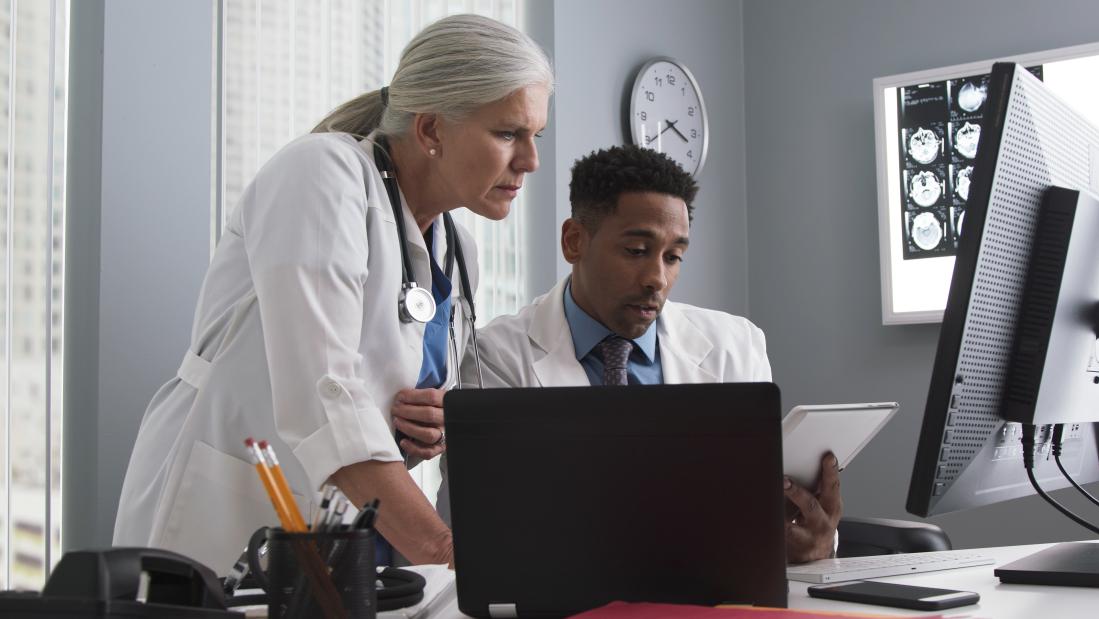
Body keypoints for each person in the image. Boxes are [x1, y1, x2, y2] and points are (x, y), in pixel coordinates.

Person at [113, 14, 552, 573]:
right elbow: (326, 397)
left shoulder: (458, 248)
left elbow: (381, 401)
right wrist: (446, 551)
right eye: (508, 133)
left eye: (535, 136)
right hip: (236, 510)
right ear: (431, 130)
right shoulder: (323, 175)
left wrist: (432, 428)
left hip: (349, 530)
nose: (530, 161)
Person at [461, 145, 841, 563]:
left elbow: (760, 508)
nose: (657, 279)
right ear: (574, 241)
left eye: (673, 257)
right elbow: (488, 526)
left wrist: (815, 542)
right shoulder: (494, 358)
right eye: (637, 251)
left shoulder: (736, 345)